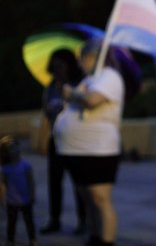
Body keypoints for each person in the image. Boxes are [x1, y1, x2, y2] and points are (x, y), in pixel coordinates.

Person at [53, 39, 125, 246]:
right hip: (78, 151)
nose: (80, 63)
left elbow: (92, 101)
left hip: (97, 150)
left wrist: (71, 93)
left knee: (100, 198)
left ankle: (106, 240)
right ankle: (95, 237)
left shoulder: (109, 76)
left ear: (92, 56)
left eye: (81, 57)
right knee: (87, 197)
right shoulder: (91, 78)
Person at [40, 48, 87, 235]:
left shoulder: (80, 84)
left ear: (69, 65)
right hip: (56, 139)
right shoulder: (51, 85)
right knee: (54, 181)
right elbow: (46, 109)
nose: (57, 68)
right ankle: (54, 219)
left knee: (79, 183)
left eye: (60, 64)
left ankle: (83, 220)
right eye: (54, 65)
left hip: (75, 141)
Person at [0, 135, 39, 246]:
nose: (13, 151)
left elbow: (31, 182)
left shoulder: (25, 165)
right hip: (11, 201)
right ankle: (10, 240)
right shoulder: (4, 168)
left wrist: (32, 195)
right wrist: (2, 199)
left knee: (29, 222)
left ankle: (32, 239)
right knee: (11, 222)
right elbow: (2, 185)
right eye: (9, 149)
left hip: (26, 200)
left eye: (14, 147)